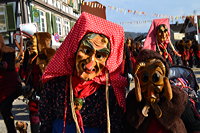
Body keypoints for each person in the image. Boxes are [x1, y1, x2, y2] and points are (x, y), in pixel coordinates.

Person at [39, 12, 127, 133]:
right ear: (74, 49)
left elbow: (117, 126)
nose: (91, 62)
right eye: (86, 50)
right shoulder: (55, 84)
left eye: (100, 56)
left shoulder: (110, 92)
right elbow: (45, 123)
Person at [125, 49, 200, 133]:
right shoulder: (133, 101)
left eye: (156, 77)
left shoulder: (177, 98)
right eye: (144, 79)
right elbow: (128, 128)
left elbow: (194, 126)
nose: (151, 86)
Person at [0, 35, 21, 133]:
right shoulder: (8, 50)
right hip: (8, 86)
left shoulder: (6, 52)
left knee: (5, 110)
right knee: (6, 111)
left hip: (8, 87)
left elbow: (7, 67)